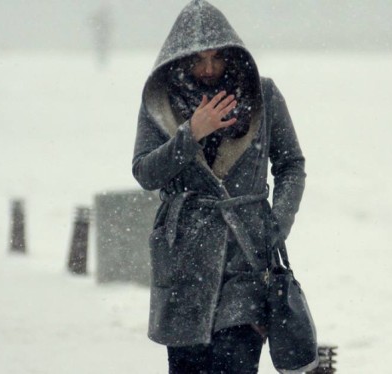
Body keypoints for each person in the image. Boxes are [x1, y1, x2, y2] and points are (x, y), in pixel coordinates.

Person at [132, 1, 307, 373]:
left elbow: (291, 164)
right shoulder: (160, 102)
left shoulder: (262, 96)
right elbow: (145, 173)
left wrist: (277, 225)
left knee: (236, 361)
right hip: (183, 260)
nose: (209, 68)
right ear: (179, 60)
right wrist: (191, 134)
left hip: (245, 254)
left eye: (216, 58)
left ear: (232, 55)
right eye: (198, 60)